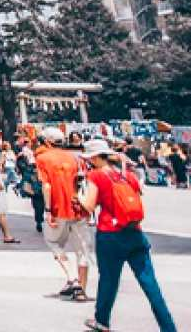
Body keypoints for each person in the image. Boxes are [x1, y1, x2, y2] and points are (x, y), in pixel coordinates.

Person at [78, 137, 177, 332]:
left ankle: (102, 321)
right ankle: (168, 327)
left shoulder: (96, 176)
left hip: (110, 235)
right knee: (150, 284)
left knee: (108, 280)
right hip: (134, 232)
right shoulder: (127, 175)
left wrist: (78, 195)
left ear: (96, 158)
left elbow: (89, 205)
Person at [35, 126, 94, 303]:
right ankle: (81, 289)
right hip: (79, 208)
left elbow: (46, 186)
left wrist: (47, 210)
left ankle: (72, 278)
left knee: (53, 242)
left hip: (58, 207)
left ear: (47, 141)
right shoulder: (75, 158)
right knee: (82, 249)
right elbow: (84, 182)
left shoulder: (42, 158)